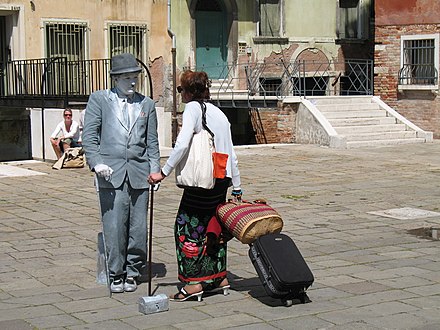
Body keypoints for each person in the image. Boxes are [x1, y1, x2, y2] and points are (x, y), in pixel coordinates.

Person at [148, 70, 242, 302]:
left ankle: (192, 284)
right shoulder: (219, 113)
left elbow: (182, 143)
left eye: (181, 90)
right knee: (214, 229)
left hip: (203, 182)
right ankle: (218, 278)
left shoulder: (192, 109)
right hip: (222, 179)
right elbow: (232, 152)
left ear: (189, 91)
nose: (181, 94)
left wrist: (163, 171)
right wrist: (237, 186)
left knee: (186, 229)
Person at [82, 53, 161, 293]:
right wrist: (95, 163)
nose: (132, 82)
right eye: (126, 78)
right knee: (115, 226)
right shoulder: (99, 100)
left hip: (139, 172)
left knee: (138, 229)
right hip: (110, 173)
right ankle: (115, 271)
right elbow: (90, 136)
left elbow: (152, 142)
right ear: (115, 79)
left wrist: (155, 169)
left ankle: (134, 270)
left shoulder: (146, 104)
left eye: (134, 77)